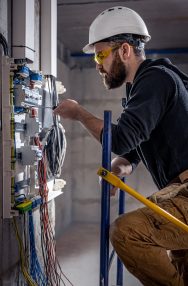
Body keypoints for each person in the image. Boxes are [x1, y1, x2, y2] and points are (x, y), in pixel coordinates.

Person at [54, 6, 188, 286]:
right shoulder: (146, 84)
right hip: (179, 191)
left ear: (125, 50)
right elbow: (137, 142)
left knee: (127, 232)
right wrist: (122, 164)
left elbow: (123, 137)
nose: (97, 63)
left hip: (184, 193)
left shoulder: (155, 80)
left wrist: (79, 113)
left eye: (101, 54)